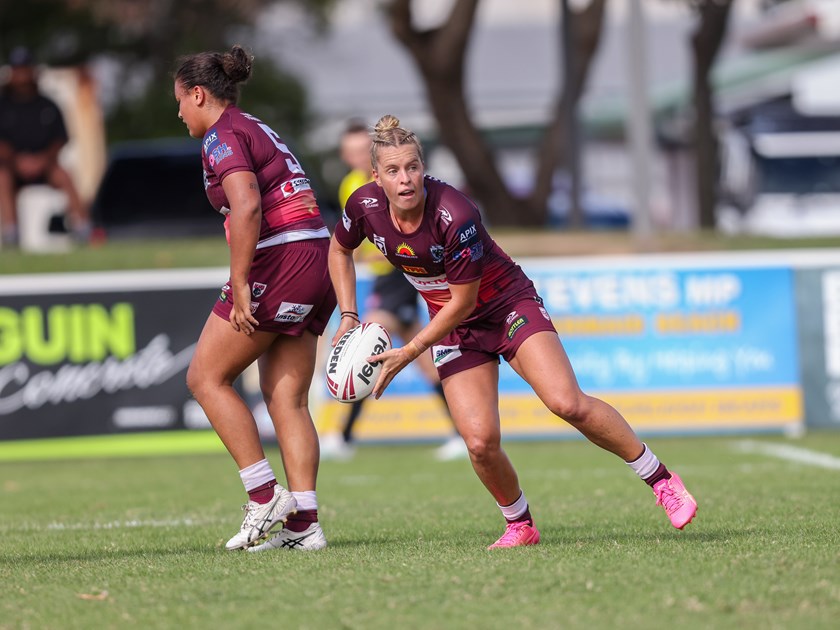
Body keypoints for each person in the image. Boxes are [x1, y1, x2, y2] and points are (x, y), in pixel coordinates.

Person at [328, 114, 698, 549]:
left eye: (412, 167)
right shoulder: (364, 206)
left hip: (505, 306)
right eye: (393, 171)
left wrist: (411, 350)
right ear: (376, 177)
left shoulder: (454, 213)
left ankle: (661, 480)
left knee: (567, 402)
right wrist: (348, 316)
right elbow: (339, 249)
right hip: (454, 327)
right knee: (480, 443)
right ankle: (520, 524)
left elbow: (463, 302)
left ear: (423, 167)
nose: (405, 179)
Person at [175, 45, 336, 553]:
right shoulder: (254, 125)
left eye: (179, 100)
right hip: (317, 256)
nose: (178, 112)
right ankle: (304, 523)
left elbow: (246, 205)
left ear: (199, 94)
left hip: (281, 258)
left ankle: (264, 495)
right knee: (285, 397)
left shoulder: (223, 136)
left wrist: (240, 281)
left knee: (204, 377)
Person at [320, 120, 467, 461]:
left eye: (362, 149)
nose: (357, 156)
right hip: (386, 277)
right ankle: (460, 432)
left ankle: (342, 437)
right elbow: (353, 240)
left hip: (401, 275)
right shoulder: (352, 188)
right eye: (353, 152)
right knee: (427, 364)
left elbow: (389, 237)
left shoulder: (405, 186)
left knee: (367, 345)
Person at [0, 46, 91, 247]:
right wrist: (17, 161)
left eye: (25, 69)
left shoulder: (47, 105)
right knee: (2, 178)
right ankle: (11, 232)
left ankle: (82, 227)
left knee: (65, 175)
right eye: (18, 70)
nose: (22, 75)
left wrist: (42, 160)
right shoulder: (3, 104)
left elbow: (60, 139)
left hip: (45, 165)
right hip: (12, 166)